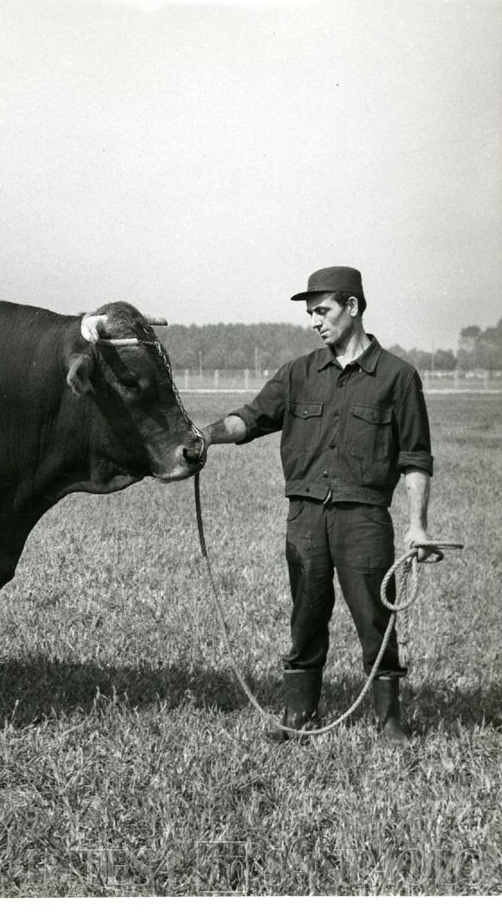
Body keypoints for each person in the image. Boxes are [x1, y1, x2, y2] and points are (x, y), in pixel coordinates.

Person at [203, 266, 434, 746]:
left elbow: (415, 459)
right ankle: (299, 715)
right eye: (311, 314)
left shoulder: (398, 377)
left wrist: (417, 526)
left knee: (374, 616)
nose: (315, 322)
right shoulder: (298, 373)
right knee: (306, 613)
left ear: (352, 307)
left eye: (323, 311)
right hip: (305, 515)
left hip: (365, 517)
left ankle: (389, 722)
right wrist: (203, 438)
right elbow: (250, 419)